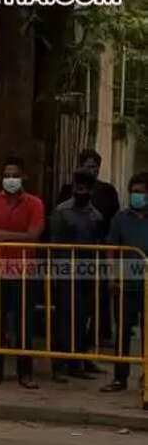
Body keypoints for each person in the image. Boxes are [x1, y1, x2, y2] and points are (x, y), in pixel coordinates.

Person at [0, 157, 45, 388]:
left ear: (23, 177)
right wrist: (20, 236)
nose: (11, 179)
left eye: (15, 175)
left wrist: (3, 235)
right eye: (7, 175)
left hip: (25, 272)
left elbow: (34, 235)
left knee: (24, 324)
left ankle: (25, 373)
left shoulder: (35, 203)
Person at [58, 149, 120, 347]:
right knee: (68, 309)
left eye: (95, 167)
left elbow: (110, 222)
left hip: (96, 258)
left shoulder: (106, 192)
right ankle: (66, 354)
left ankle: (91, 344)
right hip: (69, 262)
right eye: (87, 166)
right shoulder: (66, 197)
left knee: (93, 304)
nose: (91, 170)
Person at [50, 170, 103, 381]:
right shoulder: (61, 212)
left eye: (85, 187)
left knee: (83, 319)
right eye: (78, 186)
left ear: (90, 189)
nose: (81, 190)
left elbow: (97, 244)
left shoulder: (95, 215)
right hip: (66, 274)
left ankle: (77, 363)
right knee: (64, 318)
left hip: (87, 274)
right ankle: (59, 365)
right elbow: (54, 245)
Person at [101, 172, 148, 393]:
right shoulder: (120, 219)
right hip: (125, 284)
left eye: (141, 192)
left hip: (147, 286)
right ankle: (120, 378)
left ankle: (146, 378)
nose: (136, 196)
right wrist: (112, 276)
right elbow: (111, 249)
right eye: (134, 192)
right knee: (122, 332)